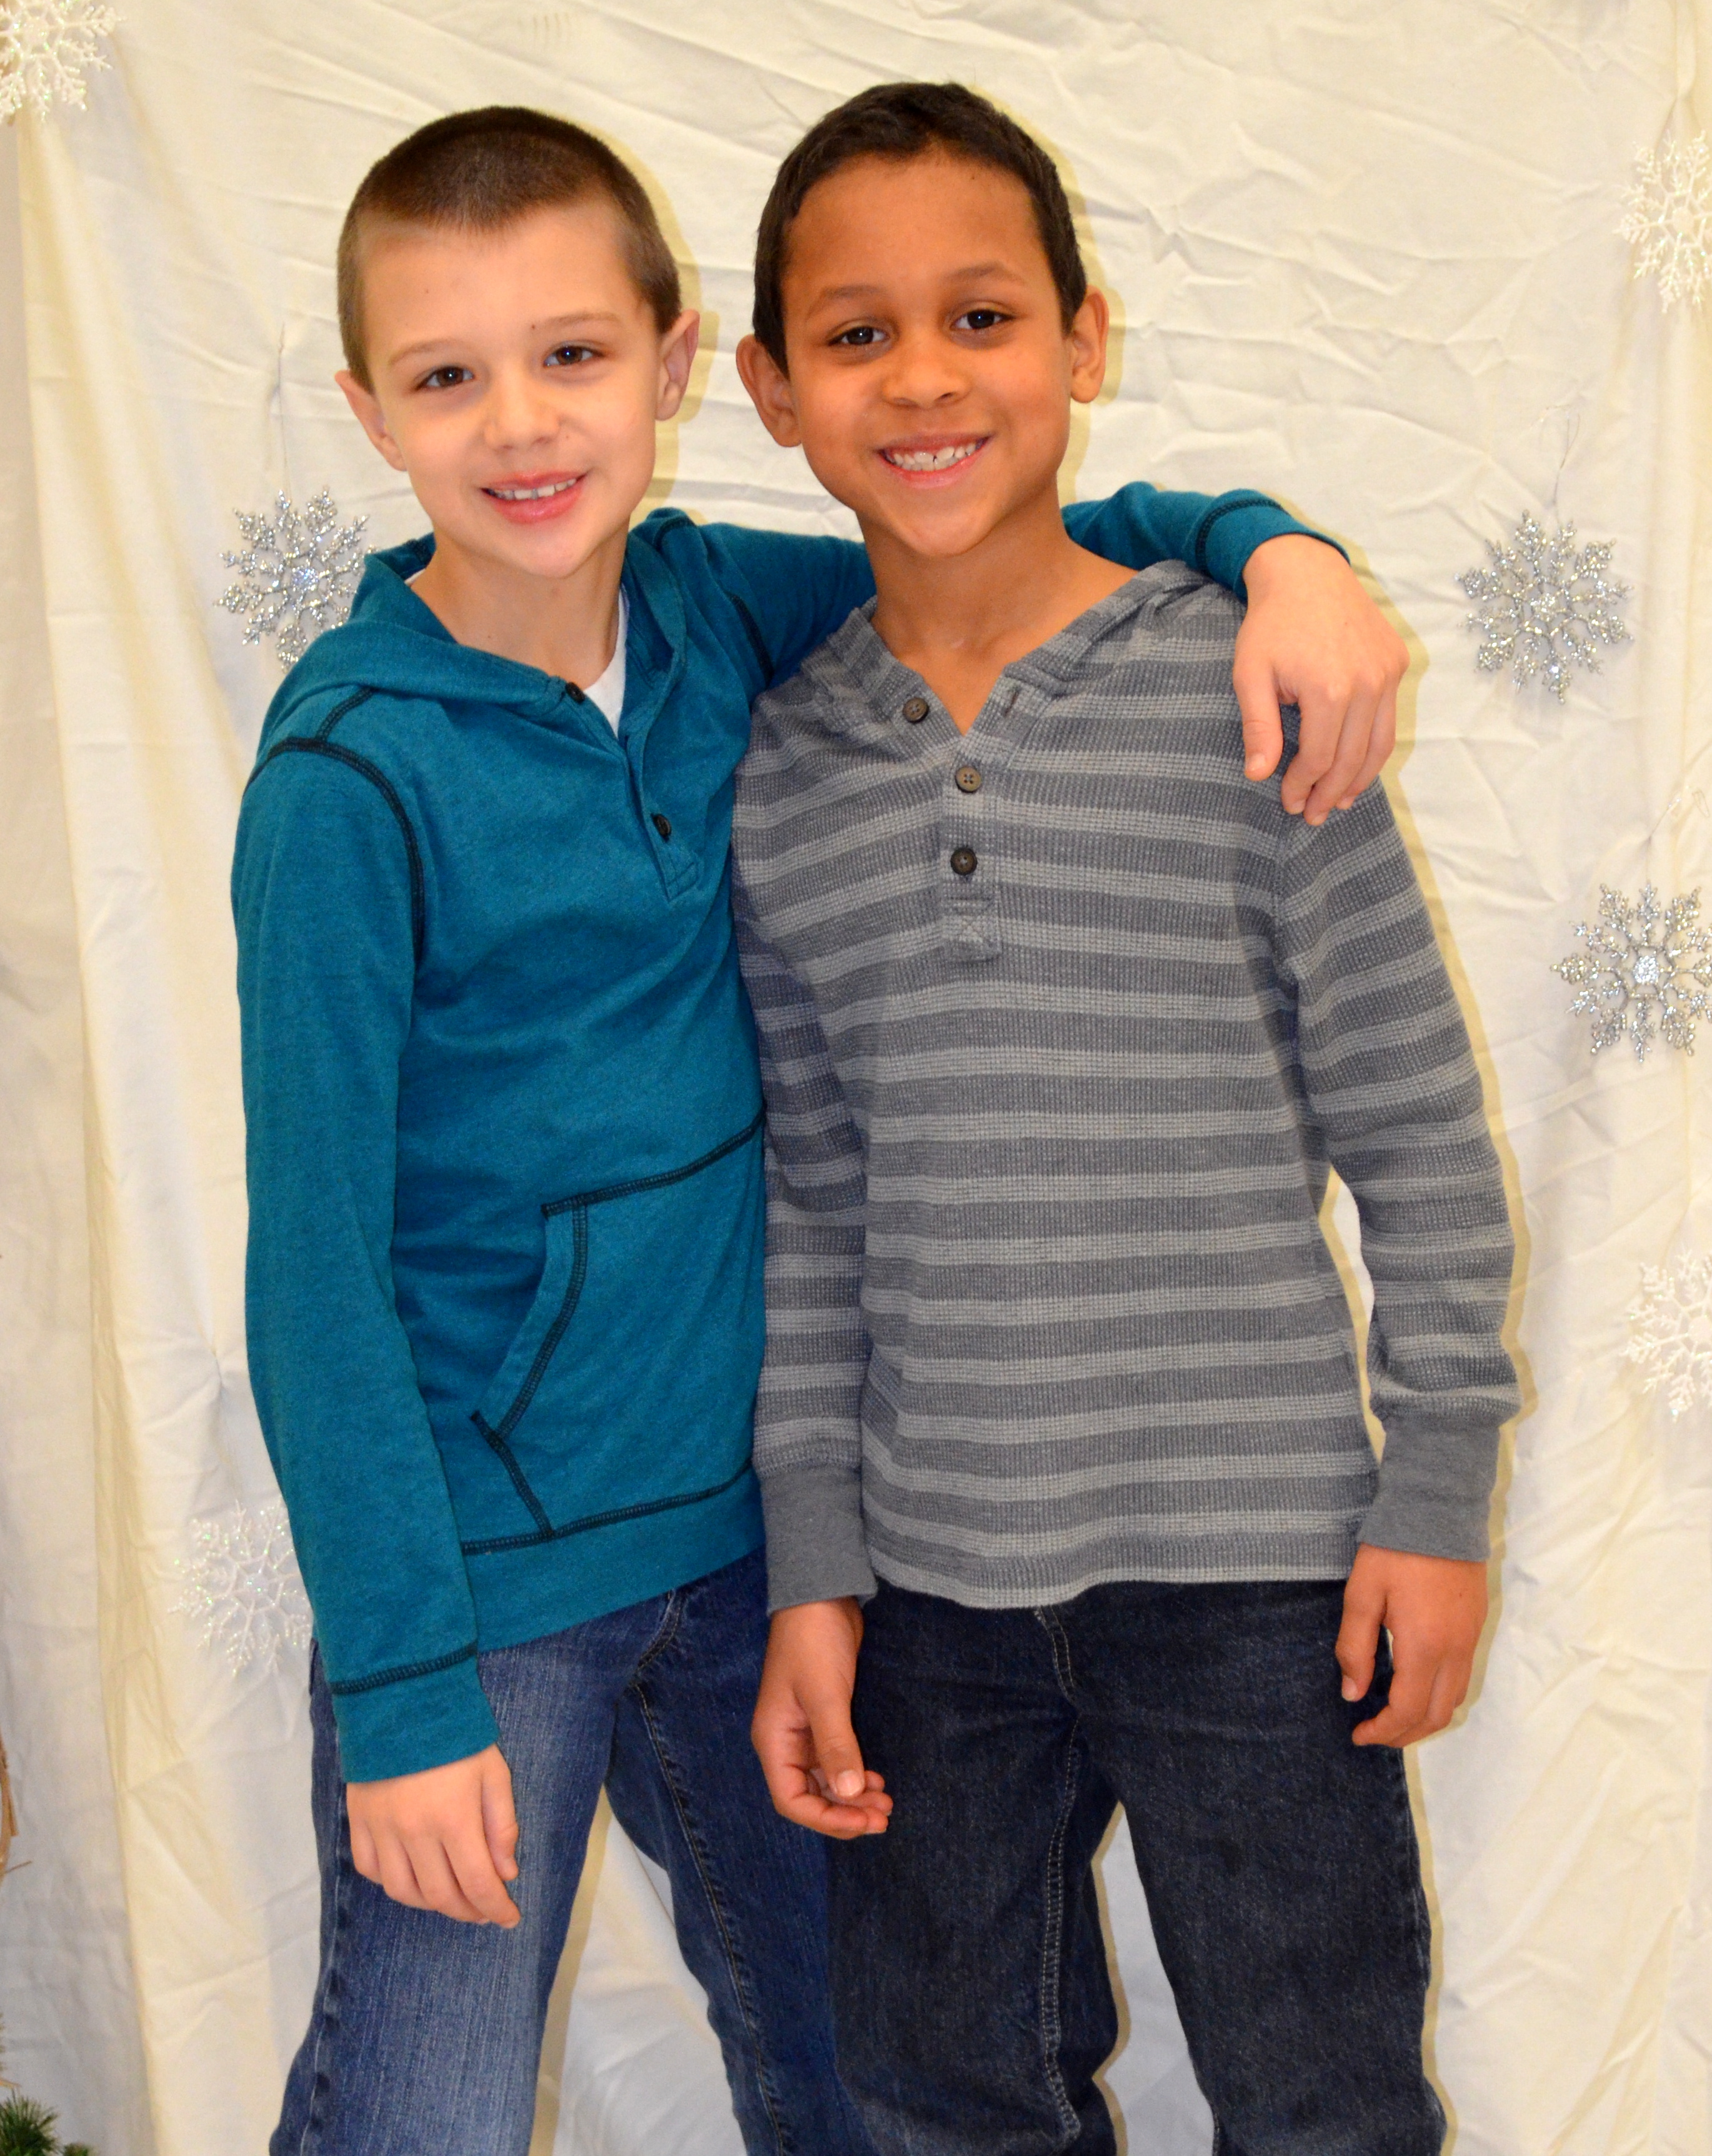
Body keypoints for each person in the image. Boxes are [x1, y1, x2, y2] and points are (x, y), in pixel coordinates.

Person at [232, 102, 1406, 2156]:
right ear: (369, 411)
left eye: (573, 354)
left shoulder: (716, 610)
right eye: (448, 376)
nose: (523, 423)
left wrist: (1275, 550)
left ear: (680, 364)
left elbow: (992, 530)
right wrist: (403, 1692)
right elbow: (312, 1267)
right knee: (426, 2113)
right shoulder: (347, 779)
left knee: (866, 2081)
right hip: (486, 1581)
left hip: (759, 1551)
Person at [733, 81, 1520, 2156]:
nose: (925, 377)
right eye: (858, 334)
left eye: (982, 317)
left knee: (1323, 2097)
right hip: (925, 1588)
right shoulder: (781, 770)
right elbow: (811, 1207)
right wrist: (815, 1565)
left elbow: (1417, 1129)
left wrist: (1438, 1484)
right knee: (942, 2092)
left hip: (1262, 1567)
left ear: (1083, 339)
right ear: (771, 390)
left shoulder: (1246, 689)